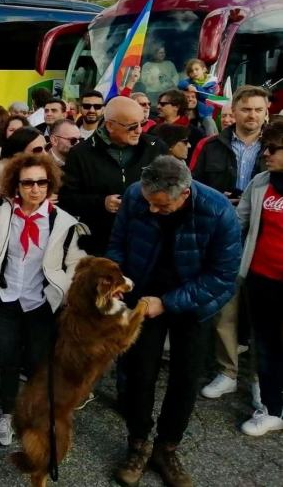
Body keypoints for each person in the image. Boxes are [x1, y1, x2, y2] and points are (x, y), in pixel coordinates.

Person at [107, 156, 241, 487]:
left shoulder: (219, 211)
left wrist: (167, 303)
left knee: (185, 378)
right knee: (139, 373)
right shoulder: (137, 196)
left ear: (184, 193)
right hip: (143, 294)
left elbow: (223, 277)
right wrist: (115, 280)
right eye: (149, 202)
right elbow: (118, 245)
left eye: (162, 206)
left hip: (195, 303)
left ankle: (167, 448)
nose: (152, 210)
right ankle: (137, 444)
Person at [0, 153, 87, 445]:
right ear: (16, 185)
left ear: (50, 184)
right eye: (28, 183)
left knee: (38, 362)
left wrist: (62, 291)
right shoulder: (2, 215)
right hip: (7, 297)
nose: (35, 189)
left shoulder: (62, 222)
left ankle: (36, 416)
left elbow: (75, 263)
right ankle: (7, 414)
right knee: (8, 359)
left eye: (42, 182)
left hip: (41, 302)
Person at [191, 85, 269, 402]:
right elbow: (193, 186)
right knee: (226, 307)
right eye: (246, 109)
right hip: (221, 233)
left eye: (258, 110)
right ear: (233, 111)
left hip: (265, 237)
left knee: (264, 312)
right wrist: (214, 198)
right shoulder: (210, 146)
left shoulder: (275, 146)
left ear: (266, 113)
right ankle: (227, 372)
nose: (252, 115)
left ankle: (261, 379)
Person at [61, 96, 167, 256]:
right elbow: (66, 199)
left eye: (142, 123)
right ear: (110, 125)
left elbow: (173, 186)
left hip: (147, 240)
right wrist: (101, 202)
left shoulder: (155, 147)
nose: (139, 130)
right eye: (132, 126)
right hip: (101, 243)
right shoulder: (81, 153)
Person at [236, 123, 283, 436]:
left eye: (273, 149)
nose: (265, 154)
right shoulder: (260, 182)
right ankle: (271, 408)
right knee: (266, 345)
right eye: (265, 147)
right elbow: (239, 219)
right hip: (261, 280)